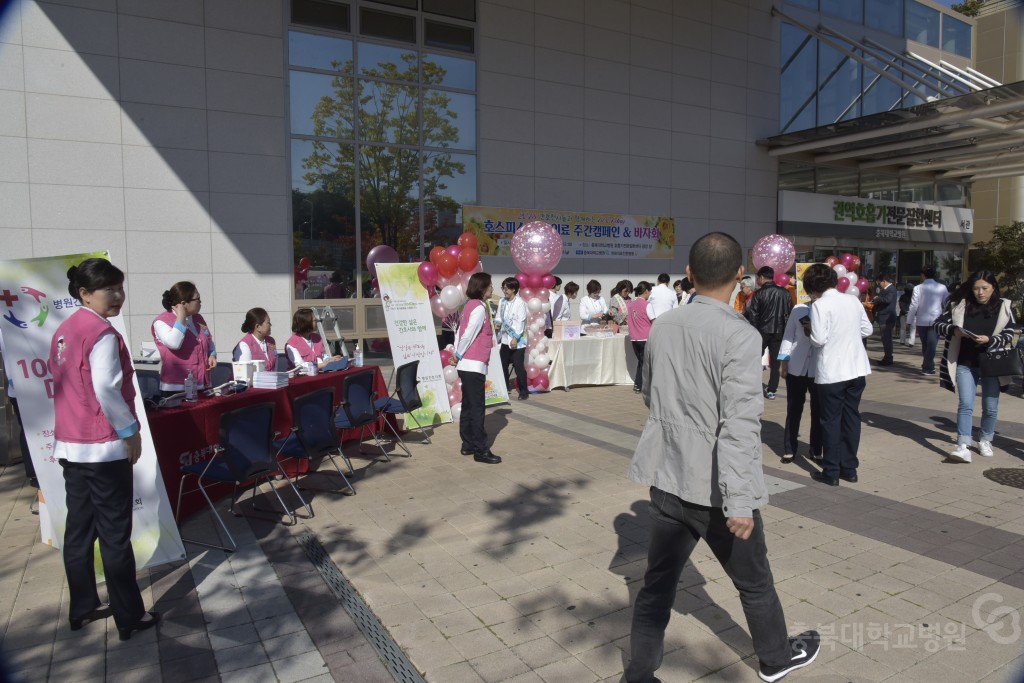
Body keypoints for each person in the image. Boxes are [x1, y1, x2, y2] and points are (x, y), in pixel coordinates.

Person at [625, 233, 819, 683]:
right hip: (715, 486)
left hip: (668, 475)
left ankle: (639, 672)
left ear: (689, 274)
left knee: (657, 584)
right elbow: (740, 425)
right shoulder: (741, 336)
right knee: (754, 582)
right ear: (739, 277)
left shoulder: (665, 324)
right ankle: (775, 658)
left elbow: (651, 394)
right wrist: (738, 501)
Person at [50, 258, 159, 641]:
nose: (118, 296)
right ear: (84, 293)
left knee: (79, 530)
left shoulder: (65, 329)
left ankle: (83, 607)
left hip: (71, 447)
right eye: (109, 290)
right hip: (102, 448)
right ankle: (129, 616)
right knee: (114, 535)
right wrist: (131, 432)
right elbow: (107, 388)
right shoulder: (101, 333)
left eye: (120, 287)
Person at [934, 271, 1017, 462]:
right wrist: (955, 330)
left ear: (993, 288)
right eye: (976, 288)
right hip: (965, 363)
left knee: (990, 407)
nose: (980, 292)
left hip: (992, 364)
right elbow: (937, 324)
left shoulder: (1004, 306)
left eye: (985, 288)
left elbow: (1010, 333)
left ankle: (986, 439)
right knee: (966, 404)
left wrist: (991, 340)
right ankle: (963, 444)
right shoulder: (959, 305)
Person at [804, 263, 872, 486]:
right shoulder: (852, 300)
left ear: (812, 286)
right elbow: (867, 330)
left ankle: (831, 471)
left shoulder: (819, 305)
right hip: (856, 368)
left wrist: (809, 331)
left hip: (832, 371)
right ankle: (849, 468)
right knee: (852, 417)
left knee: (830, 420)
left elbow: (819, 339)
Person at [452, 273, 501, 464]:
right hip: (473, 364)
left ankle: (468, 444)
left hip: (466, 364)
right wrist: (458, 354)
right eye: (490, 285)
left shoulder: (468, 306)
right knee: (477, 408)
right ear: (482, 287)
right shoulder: (479, 308)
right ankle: (481, 450)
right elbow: (468, 334)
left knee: (468, 406)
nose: (492, 289)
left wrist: (457, 353)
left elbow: (459, 332)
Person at [152, 281, 217, 395]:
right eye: (197, 299)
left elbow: (208, 339)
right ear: (183, 303)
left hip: (202, 384)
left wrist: (211, 354)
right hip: (176, 388)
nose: (200, 302)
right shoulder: (161, 321)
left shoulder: (198, 318)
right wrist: (181, 316)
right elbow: (174, 343)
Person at [777, 303, 821, 464]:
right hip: (796, 365)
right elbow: (789, 335)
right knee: (794, 408)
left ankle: (816, 450)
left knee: (818, 411)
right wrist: (783, 361)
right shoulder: (798, 309)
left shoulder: (829, 307)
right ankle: (789, 448)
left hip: (819, 367)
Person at [745, 266, 793, 400]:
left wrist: (753, 331)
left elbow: (753, 315)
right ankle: (772, 390)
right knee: (776, 363)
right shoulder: (785, 292)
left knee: (754, 358)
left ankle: (751, 387)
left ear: (761, 277)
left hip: (761, 331)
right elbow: (789, 312)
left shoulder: (759, 294)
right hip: (779, 331)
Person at [907, 267, 949, 375]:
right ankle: (929, 366)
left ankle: (927, 366)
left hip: (922, 319)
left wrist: (909, 320)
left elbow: (914, 305)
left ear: (923, 275)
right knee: (930, 344)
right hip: (936, 319)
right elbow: (947, 303)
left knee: (927, 344)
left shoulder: (918, 288)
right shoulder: (942, 287)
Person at [495, 277, 529, 400]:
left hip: (518, 341)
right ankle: (505, 387)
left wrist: (515, 337)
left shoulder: (520, 303)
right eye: (503, 288)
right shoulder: (502, 301)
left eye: (507, 288)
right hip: (504, 338)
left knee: (518, 366)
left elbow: (521, 322)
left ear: (514, 289)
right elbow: (498, 315)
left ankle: (524, 391)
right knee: (503, 364)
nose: (504, 291)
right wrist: (497, 323)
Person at [627, 282, 653, 395]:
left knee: (641, 361)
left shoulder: (631, 304)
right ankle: (640, 385)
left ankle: (638, 385)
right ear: (646, 291)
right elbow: (654, 320)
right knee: (645, 362)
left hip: (634, 338)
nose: (650, 293)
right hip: (645, 337)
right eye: (650, 291)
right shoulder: (647, 304)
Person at [873, 273, 898, 366]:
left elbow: (887, 300)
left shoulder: (891, 289)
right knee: (885, 339)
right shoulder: (887, 290)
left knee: (886, 339)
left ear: (884, 281)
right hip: (884, 317)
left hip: (887, 318)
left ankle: (888, 358)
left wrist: (878, 298)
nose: (879, 284)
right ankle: (887, 357)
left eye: (879, 282)